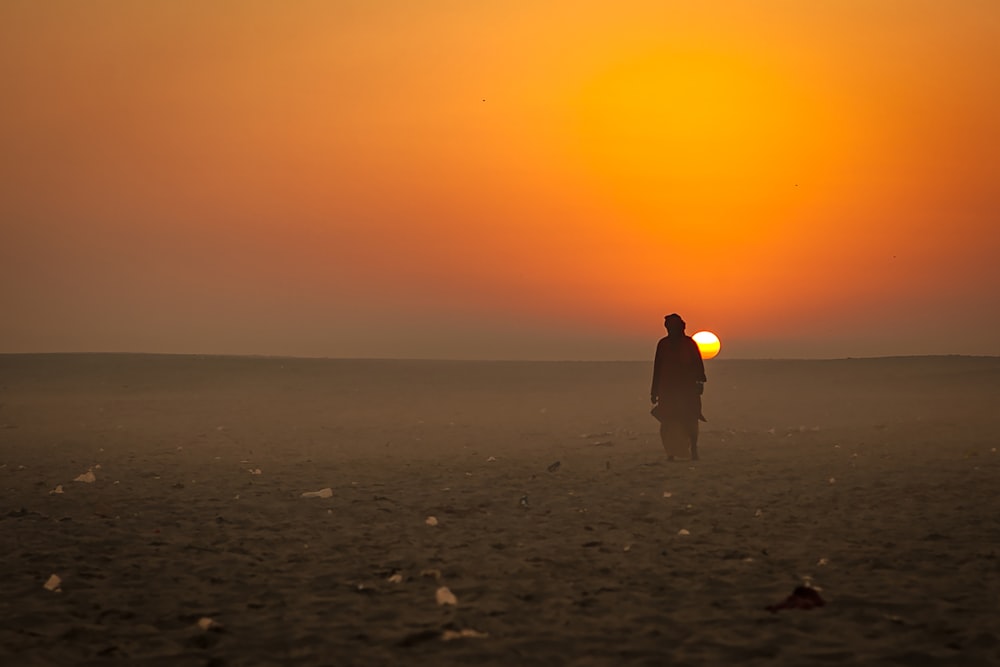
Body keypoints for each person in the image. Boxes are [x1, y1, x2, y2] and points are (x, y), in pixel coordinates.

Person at [650, 314, 706, 460]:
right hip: (667, 389)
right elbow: (658, 367)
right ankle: (671, 453)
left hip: (687, 388)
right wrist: (654, 391)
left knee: (690, 419)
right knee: (669, 421)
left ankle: (693, 449)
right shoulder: (663, 344)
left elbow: (697, 364)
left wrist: (700, 383)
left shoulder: (689, 344)